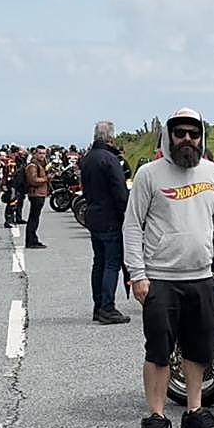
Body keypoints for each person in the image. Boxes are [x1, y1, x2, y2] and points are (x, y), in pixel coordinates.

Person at [123, 108, 214, 428]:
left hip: (202, 278)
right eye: (180, 133)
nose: (187, 139)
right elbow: (132, 225)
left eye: (193, 133)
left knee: (198, 349)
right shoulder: (149, 174)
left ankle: (194, 412)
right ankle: (156, 417)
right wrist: (137, 275)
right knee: (159, 350)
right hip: (159, 279)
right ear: (169, 136)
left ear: (202, 137)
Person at [81, 121, 131, 325]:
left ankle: (98, 305)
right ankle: (107, 307)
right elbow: (120, 191)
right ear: (110, 137)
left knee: (99, 262)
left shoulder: (88, 158)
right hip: (110, 217)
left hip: (93, 214)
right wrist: (127, 215)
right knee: (112, 263)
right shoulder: (110, 159)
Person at [24, 145, 50, 249]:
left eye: (44, 153)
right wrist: (46, 179)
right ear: (35, 154)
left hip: (41, 193)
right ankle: (31, 241)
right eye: (40, 153)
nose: (42, 155)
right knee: (33, 218)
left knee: (35, 218)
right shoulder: (33, 166)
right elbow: (33, 180)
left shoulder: (42, 164)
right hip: (35, 194)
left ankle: (33, 239)